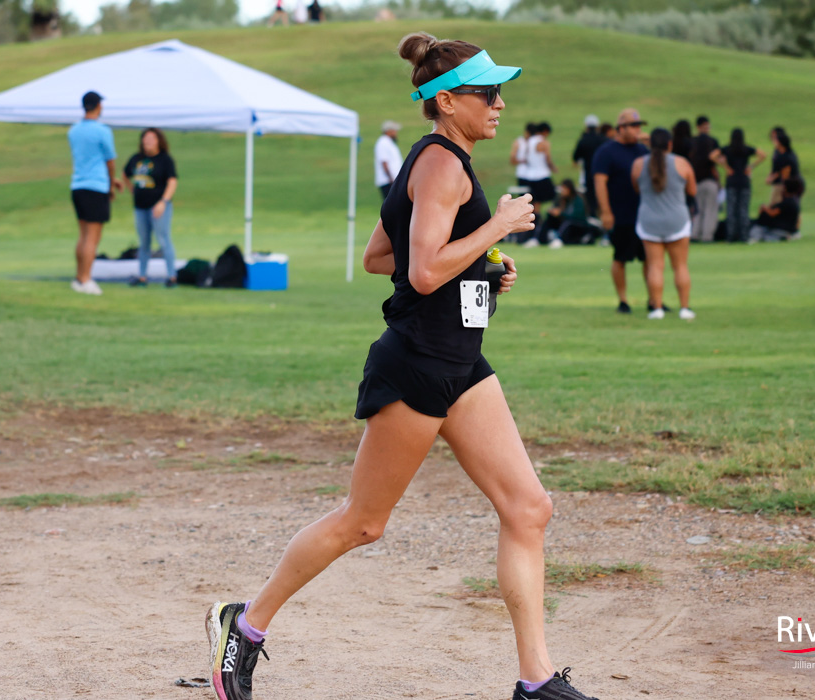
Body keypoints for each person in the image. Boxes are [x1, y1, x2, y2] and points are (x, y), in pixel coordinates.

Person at [206, 31, 601, 700]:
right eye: (487, 93)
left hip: (460, 363)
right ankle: (242, 625)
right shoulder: (443, 166)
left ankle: (535, 682)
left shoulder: (433, 162)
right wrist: (496, 228)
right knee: (362, 522)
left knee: (528, 509)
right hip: (418, 363)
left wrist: (479, 263)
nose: (500, 104)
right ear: (447, 102)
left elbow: (378, 258)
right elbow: (418, 273)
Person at [631, 128, 696, 321]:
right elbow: (692, 190)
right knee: (680, 266)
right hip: (677, 219)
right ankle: (684, 308)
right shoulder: (681, 163)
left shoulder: (638, 164)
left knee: (655, 266)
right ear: (670, 144)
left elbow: (636, 188)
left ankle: (657, 308)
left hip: (649, 220)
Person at [592, 108, 649, 314]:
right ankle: (623, 300)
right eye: (634, 126)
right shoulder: (607, 152)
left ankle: (654, 299)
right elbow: (600, 182)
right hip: (620, 214)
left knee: (649, 258)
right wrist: (606, 212)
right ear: (621, 128)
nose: (638, 130)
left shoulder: (643, 150)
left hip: (644, 214)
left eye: (639, 126)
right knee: (621, 257)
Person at [68, 91, 122, 296]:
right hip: (96, 187)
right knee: (93, 237)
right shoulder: (102, 131)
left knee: (82, 235)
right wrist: (110, 185)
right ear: (98, 106)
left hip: (78, 186)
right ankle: (86, 279)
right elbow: (110, 162)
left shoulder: (73, 130)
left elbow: (89, 160)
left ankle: (78, 277)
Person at [123, 128, 178, 287]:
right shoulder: (136, 158)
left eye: (152, 139)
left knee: (163, 239)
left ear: (159, 141)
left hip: (159, 206)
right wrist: (131, 189)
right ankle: (142, 276)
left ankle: (171, 276)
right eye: (145, 139)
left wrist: (163, 202)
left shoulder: (165, 160)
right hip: (140, 206)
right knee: (144, 241)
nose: (148, 142)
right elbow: (126, 173)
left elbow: (172, 181)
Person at [711, 128, 766, 243]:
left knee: (731, 210)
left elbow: (712, 155)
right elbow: (763, 155)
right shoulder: (746, 149)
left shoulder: (727, 149)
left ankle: (730, 236)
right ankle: (744, 236)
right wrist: (751, 166)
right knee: (743, 210)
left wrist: (725, 167)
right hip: (744, 182)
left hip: (731, 182)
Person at [528, 179, 589, 247]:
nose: (562, 191)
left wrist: (561, 213)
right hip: (563, 221)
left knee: (567, 223)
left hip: (577, 224)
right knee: (548, 220)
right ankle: (537, 239)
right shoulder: (560, 198)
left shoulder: (578, 200)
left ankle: (559, 240)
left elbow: (578, 216)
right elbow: (555, 208)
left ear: (569, 189)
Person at [689, 115, 720, 242]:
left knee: (697, 209)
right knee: (710, 209)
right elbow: (716, 163)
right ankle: (707, 236)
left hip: (695, 181)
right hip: (709, 180)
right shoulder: (713, 141)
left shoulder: (692, 141)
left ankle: (694, 234)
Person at [749, 176, 803, 242]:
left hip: (779, 228)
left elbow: (772, 213)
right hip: (784, 228)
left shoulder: (788, 202)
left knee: (760, 231)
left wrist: (764, 208)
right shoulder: (793, 201)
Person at [571, 114, 606, 217]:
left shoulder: (583, 140)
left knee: (590, 199)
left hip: (588, 174)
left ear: (586, 126)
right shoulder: (602, 140)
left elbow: (575, 158)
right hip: (603, 173)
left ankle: (592, 218)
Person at [524, 121, 557, 228]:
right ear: (545, 131)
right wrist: (553, 167)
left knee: (536, 203)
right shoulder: (544, 143)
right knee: (555, 197)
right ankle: (548, 221)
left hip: (531, 176)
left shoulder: (529, 141)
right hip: (542, 175)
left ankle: (535, 224)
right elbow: (547, 158)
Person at [765, 126, 802, 205]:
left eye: (775, 139)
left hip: (789, 186)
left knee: (780, 207)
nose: (773, 140)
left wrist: (772, 178)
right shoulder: (779, 153)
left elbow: (785, 175)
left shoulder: (787, 157)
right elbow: (777, 169)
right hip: (784, 185)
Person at [374, 120, 403, 202]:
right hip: (388, 181)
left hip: (393, 180)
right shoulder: (383, 143)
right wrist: (391, 178)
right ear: (388, 131)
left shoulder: (388, 143)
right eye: (394, 131)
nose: (396, 133)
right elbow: (384, 162)